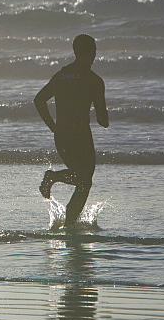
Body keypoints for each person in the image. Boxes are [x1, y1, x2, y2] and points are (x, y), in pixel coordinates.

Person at [34, 34, 109, 228]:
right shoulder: (94, 80)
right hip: (81, 137)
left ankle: (69, 222)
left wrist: (54, 127)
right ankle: (55, 180)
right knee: (84, 181)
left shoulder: (61, 76)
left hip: (62, 136)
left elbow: (39, 100)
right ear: (92, 53)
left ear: (76, 52)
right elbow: (103, 120)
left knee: (82, 180)